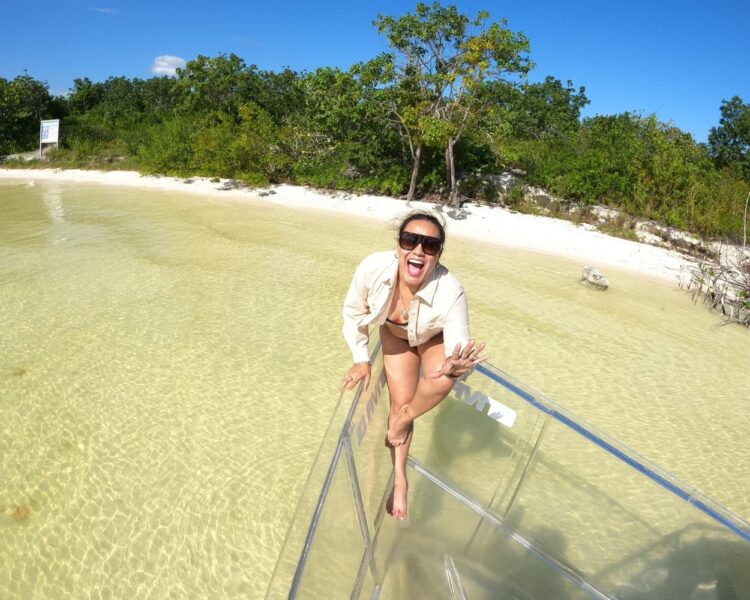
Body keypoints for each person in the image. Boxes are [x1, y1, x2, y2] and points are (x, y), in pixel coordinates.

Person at [340, 210, 488, 520]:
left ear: (438, 255)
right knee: (399, 400)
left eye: (429, 245)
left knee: (440, 377)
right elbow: (353, 312)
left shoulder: (451, 289)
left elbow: (457, 345)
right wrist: (361, 359)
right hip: (394, 335)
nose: (418, 250)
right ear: (399, 246)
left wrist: (455, 366)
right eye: (410, 240)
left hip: (430, 338)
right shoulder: (373, 268)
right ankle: (400, 478)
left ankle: (405, 417)